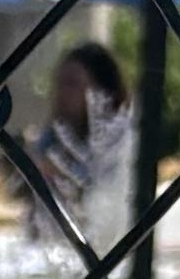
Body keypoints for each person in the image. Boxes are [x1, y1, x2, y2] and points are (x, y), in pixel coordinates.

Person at [26, 38, 134, 251]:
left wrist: (69, 174)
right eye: (58, 83)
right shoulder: (50, 140)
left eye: (72, 83)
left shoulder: (121, 141)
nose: (60, 93)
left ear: (103, 91)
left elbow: (110, 194)